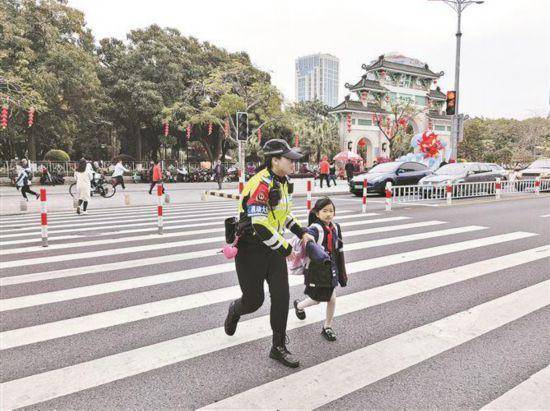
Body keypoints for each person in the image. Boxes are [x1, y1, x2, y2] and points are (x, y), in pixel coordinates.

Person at [224, 139, 315, 368]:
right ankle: (235, 309)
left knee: (282, 297)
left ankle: (278, 346)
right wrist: (286, 249)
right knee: (254, 301)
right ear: (275, 160)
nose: (294, 162)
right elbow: (260, 225)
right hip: (251, 250)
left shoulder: (284, 182)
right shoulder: (260, 184)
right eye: (289, 159)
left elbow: (284, 215)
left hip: (272, 248)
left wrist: (301, 231)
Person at [293, 197, 347, 341]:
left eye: (331, 211)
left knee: (332, 298)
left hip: (331, 267)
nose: (329, 214)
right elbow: (308, 238)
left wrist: (342, 273)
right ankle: (299, 305)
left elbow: (339, 250)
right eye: (325, 211)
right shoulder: (315, 228)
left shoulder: (336, 227)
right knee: (316, 299)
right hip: (316, 269)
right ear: (317, 213)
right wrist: (309, 239)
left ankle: (327, 327)